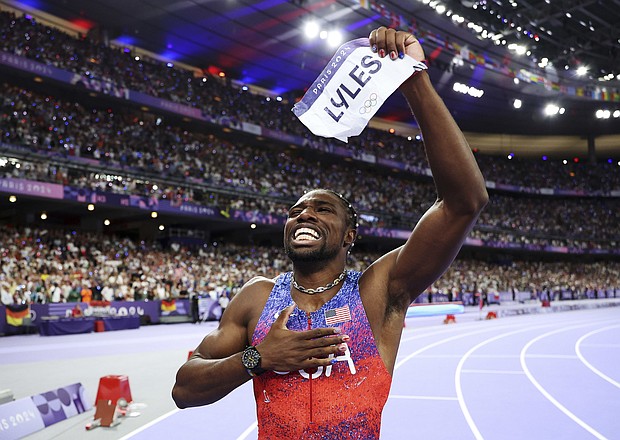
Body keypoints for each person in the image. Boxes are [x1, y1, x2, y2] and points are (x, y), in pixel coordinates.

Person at [172, 26, 488, 439]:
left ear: (348, 237)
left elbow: (464, 202)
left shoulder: (381, 289)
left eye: (323, 210)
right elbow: (184, 388)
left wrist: (415, 81)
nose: (305, 216)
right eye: (297, 211)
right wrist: (258, 358)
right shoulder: (258, 297)